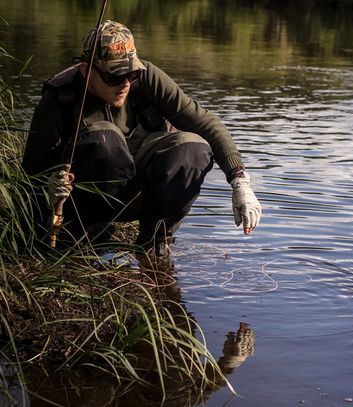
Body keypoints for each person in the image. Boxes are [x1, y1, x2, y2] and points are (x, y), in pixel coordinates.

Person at [22, 20, 262, 265]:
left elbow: (206, 122)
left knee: (193, 147)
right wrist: (48, 188)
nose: (126, 82)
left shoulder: (146, 78)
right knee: (104, 138)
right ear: (87, 70)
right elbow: (32, 175)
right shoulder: (59, 98)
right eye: (114, 76)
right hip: (83, 202)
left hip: (140, 189)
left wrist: (239, 181)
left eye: (131, 73)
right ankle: (87, 236)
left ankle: (154, 244)